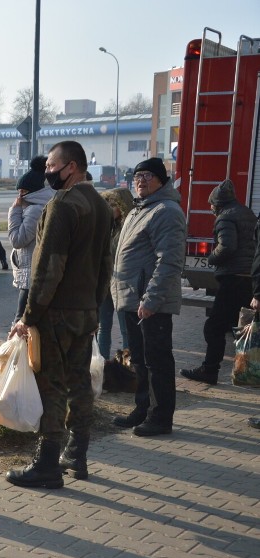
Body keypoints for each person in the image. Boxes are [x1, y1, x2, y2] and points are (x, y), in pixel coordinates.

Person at [6, 141, 113, 488]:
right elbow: (105, 266)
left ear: (71, 167)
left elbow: (48, 266)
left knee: (50, 385)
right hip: (85, 311)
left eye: (52, 166)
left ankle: (47, 462)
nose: (47, 172)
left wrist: (29, 314)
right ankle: (77, 454)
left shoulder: (64, 204)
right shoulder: (100, 204)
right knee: (80, 382)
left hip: (57, 313)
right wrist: (94, 305)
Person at [111, 158, 186, 437]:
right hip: (132, 299)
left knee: (158, 361)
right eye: (137, 175)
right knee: (140, 360)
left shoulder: (166, 211)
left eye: (148, 176)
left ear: (161, 181)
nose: (141, 180)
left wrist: (151, 299)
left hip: (150, 303)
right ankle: (142, 409)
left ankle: (160, 417)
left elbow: (169, 261)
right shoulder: (137, 210)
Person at [181, 180, 256, 385]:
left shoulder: (225, 217)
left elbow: (227, 246)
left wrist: (212, 258)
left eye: (211, 204)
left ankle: (210, 370)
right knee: (239, 327)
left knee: (213, 327)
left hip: (233, 279)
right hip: (249, 278)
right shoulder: (247, 213)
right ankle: (244, 370)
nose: (210, 208)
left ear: (218, 203)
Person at [7, 155, 54, 322]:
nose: (19, 196)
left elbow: (17, 240)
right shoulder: (44, 205)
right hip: (33, 273)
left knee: (20, 322)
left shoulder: (34, 210)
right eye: (18, 191)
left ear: (34, 192)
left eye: (23, 192)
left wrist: (14, 211)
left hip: (29, 275)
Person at [96, 188, 134, 359]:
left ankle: (128, 366)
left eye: (113, 205)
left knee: (126, 329)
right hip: (105, 283)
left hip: (122, 284)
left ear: (122, 206)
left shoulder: (128, 228)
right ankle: (101, 364)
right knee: (103, 326)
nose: (109, 209)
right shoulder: (106, 226)